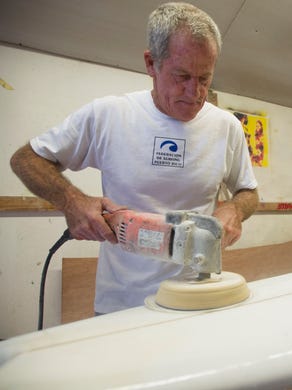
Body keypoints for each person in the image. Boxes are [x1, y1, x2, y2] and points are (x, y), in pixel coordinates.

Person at [10, 2, 259, 314]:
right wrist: (73, 201)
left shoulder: (226, 127)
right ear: (150, 63)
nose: (195, 92)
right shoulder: (109, 115)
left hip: (196, 299)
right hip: (121, 305)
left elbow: (249, 191)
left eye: (205, 78)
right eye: (182, 75)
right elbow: (26, 159)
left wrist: (235, 209)